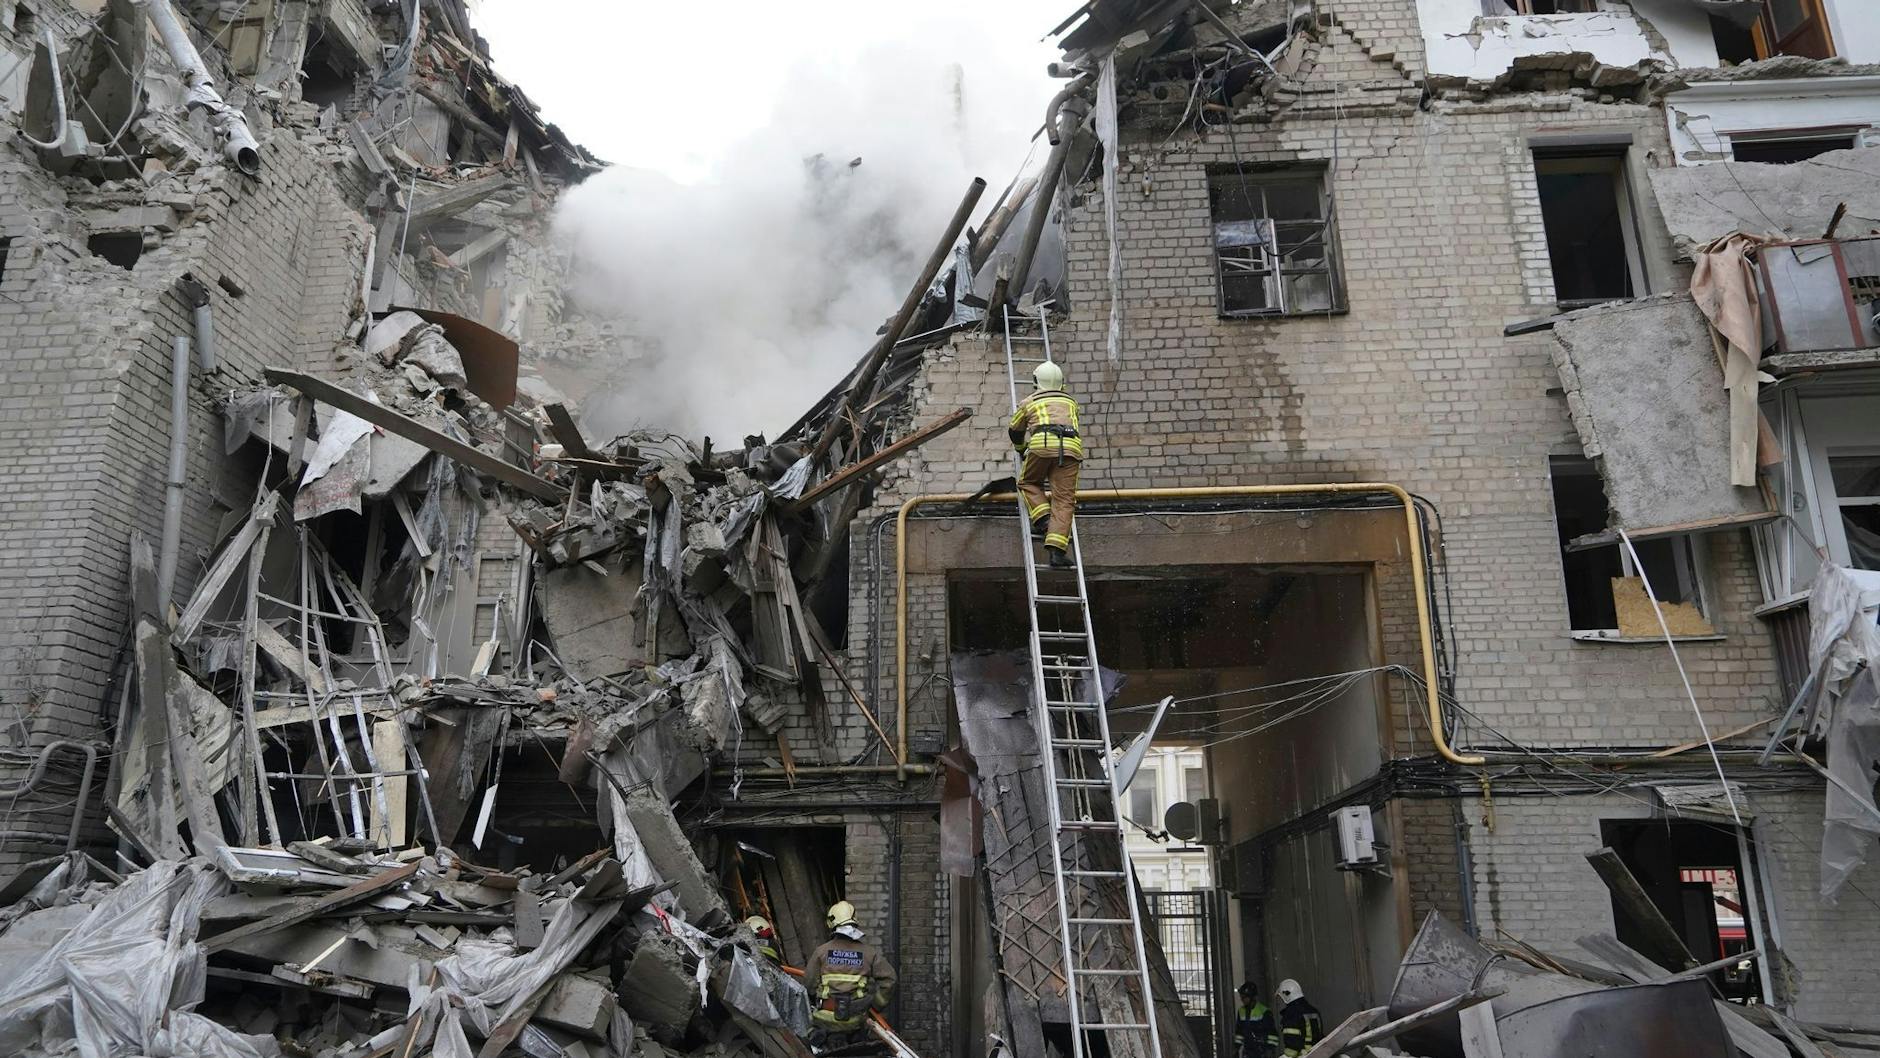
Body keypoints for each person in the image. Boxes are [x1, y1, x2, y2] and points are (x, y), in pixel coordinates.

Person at [1007, 361, 1084, 570]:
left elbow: (1014, 429)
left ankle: (1042, 519)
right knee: (1064, 500)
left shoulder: (1029, 402)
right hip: (1070, 449)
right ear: (1062, 383)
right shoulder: (1071, 402)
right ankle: (1057, 552)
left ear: (1035, 382)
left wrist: (1021, 448)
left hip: (1042, 444)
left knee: (1028, 482)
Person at [803, 900, 897, 1049]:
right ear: (854, 922)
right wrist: (876, 1005)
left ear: (832, 923)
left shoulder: (821, 952)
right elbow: (890, 979)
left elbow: (809, 983)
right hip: (855, 1020)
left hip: (825, 1020)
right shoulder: (869, 953)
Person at [1275, 978, 1323, 1057]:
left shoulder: (1291, 1014)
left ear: (1286, 995)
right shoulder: (1314, 1011)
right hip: (1319, 1054)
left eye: (1281, 997)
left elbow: (1292, 1049)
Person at [1233, 981, 1278, 1058]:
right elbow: (1239, 1032)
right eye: (1242, 997)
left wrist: (1270, 1049)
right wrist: (1236, 1048)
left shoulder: (1264, 1011)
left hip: (1262, 1051)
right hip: (1248, 1051)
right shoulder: (1241, 1011)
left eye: (1244, 997)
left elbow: (1272, 1034)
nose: (1242, 999)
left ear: (1252, 997)